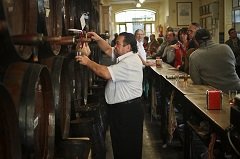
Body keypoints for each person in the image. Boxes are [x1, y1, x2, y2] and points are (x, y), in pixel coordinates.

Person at [75, 32, 144, 159]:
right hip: (121, 110)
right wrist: (98, 39)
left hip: (127, 112)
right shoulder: (126, 56)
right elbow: (107, 49)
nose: (115, 46)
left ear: (128, 47)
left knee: (127, 149)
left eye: (118, 44)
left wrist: (87, 61)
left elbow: (105, 73)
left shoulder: (130, 62)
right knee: (120, 145)